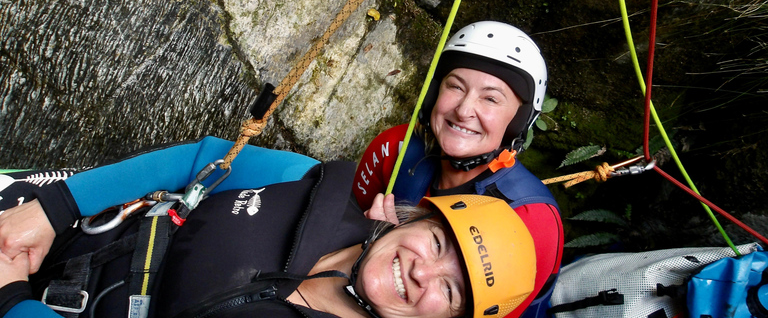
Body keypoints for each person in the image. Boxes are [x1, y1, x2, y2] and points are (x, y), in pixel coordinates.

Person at [0, 140, 538, 318]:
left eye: (450, 291)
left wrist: (12, 299)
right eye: (438, 242)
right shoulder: (306, 184)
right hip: (76, 226)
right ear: (411, 215)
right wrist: (55, 205)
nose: (424, 272)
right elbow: (207, 160)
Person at [352, 21, 564, 318]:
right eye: (455, 86)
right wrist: (372, 237)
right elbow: (346, 225)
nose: (464, 110)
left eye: (490, 98)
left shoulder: (531, 221)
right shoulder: (395, 148)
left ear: (517, 122)